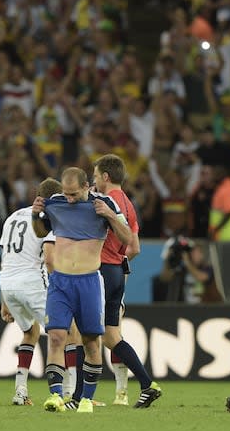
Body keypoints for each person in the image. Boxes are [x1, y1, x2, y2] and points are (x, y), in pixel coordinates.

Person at [31, 167, 133, 413]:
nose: (69, 199)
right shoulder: (55, 202)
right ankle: (56, 395)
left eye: (74, 194)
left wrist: (109, 215)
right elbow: (41, 232)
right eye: (66, 194)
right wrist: (36, 215)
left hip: (88, 282)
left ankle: (87, 398)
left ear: (87, 186)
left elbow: (127, 237)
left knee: (91, 342)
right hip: (61, 282)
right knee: (56, 337)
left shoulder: (104, 203)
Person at [68, 154, 161, 409]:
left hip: (99, 272)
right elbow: (135, 247)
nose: (94, 180)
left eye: (96, 176)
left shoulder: (103, 201)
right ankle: (147, 384)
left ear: (106, 177)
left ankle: (77, 398)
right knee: (111, 336)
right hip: (117, 273)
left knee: (82, 334)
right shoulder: (129, 205)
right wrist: (119, 263)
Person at [0, 178, 61, 406]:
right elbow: (50, 258)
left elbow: (4, 260)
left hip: (8, 283)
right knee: (67, 334)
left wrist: (4, 301)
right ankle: (72, 392)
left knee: (31, 333)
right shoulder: (49, 217)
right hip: (33, 282)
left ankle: (20, 391)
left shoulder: (12, 217)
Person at [155, 236, 221, 303]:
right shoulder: (183, 269)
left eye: (196, 252)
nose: (191, 254)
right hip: (186, 309)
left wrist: (187, 261)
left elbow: (201, 277)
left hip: (204, 307)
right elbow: (165, 277)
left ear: (202, 255)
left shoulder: (208, 269)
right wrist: (167, 259)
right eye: (191, 252)